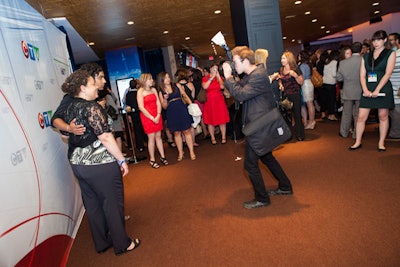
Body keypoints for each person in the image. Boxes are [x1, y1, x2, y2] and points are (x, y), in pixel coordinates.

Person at [62, 69, 140, 255]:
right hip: (100, 164)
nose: (97, 86)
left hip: (78, 164)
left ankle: (102, 242)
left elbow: (66, 132)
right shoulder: (92, 107)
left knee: (93, 205)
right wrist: (122, 160)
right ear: (83, 88)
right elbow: (105, 136)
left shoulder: (70, 106)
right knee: (112, 203)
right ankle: (122, 244)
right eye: (93, 83)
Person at [222, 46, 293, 209]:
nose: (234, 66)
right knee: (267, 157)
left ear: (245, 60)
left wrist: (227, 77)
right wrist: (231, 80)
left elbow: (240, 95)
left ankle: (262, 198)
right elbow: (239, 90)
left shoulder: (258, 76)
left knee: (250, 165)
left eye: (235, 62)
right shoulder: (253, 74)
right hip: (258, 124)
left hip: (258, 126)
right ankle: (285, 186)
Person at [349, 30, 396, 151]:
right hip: (367, 88)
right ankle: (357, 141)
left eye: (379, 40)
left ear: (385, 40)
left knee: (383, 116)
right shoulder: (366, 56)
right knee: (361, 116)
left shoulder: (390, 53)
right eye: (374, 40)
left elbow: (388, 74)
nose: (376, 43)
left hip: (383, 87)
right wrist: (365, 89)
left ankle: (381, 143)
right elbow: (362, 75)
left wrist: (377, 89)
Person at [157, 71, 196, 161]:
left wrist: (191, 104)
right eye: (166, 78)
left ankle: (191, 151)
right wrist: (165, 99)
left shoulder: (176, 85)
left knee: (187, 131)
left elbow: (184, 95)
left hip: (181, 108)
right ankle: (180, 152)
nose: (168, 79)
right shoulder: (161, 92)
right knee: (176, 133)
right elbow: (164, 107)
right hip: (171, 112)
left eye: (168, 77)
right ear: (161, 80)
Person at [136, 73, 168, 168]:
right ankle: (152, 159)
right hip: (147, 116)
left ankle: (163, 157)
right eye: (150, 79)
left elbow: (158, 103)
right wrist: (152, 118)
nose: (152, 80)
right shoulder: (140, 91)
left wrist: (158, 115)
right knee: (151, 137)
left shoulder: (154, 90)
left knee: (159, 136)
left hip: (156, 115)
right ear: (145, 80)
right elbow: (141, 107)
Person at [337, 42, 363, 138]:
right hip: (361, 90)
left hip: (348, 90)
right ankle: (356, 134)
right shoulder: (363, 60)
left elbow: (339, 78)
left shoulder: (343, 63)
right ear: (361, 50)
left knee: (346, 113)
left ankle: (344, 132)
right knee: (358, 114)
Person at [279, 51, 305, 141]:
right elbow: (281, 79)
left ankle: (300, 134)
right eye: (281, 58)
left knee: (297, 115)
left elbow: (301, 82)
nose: (282, 60)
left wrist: (296, 76)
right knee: (287, 117)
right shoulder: (282, 69)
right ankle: (288, 135)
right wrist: (281, 85)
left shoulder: (295, 68)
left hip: (295, 94)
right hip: (286, 95)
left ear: (289, 59)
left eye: (284, 58)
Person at [202, 63, 230, 145]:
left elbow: (222, 87)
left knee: (222, 119)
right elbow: (205, 87)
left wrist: (218, 77)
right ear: (210, 69)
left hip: (219, 100)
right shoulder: (205, 78)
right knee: (210, 120)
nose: (215, 70)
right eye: (214, 69)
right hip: (209, 101)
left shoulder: (220, 78)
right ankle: (212, 138)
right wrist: (212, 77)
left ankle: (223, 137)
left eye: (216, 69)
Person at [125, 79, 146, 152]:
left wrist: (129, 115)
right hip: (140, 112)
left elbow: (127, 106)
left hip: (133, 114)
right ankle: (146, 142)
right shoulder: (139, 93)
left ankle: (139, 145)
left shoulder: (128, 94)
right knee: (143, 128)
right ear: (137, 85)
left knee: (136, 130)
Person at [298, 50, 316, 129]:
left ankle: (311, 122)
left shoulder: (302, 65)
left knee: (309, 104)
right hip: (309, 83)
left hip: (305, 84)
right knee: (310, 104)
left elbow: (303, 77)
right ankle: (312, 121)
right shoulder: (308, 64)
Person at [387, 33, 400, 140]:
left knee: (395, 112)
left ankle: (395, 133)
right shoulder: (393, 53)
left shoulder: (395, 54)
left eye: (391, 40)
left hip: (397, 88)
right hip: (393, 87)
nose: (390, 42)